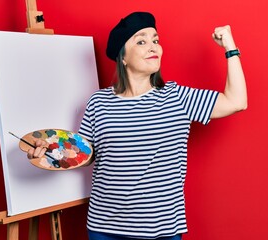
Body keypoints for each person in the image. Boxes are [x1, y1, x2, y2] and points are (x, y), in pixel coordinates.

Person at [27, 11, 247, 240]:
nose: (153, 47)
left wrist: (230, 47)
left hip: (160, 232)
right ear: (123, 57)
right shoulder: (99, 103)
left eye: (156, 40)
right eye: (141, 41)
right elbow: (85, 155)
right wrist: (48, 152)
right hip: (105, 229)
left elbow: (237, 101)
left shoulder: (177, 97)